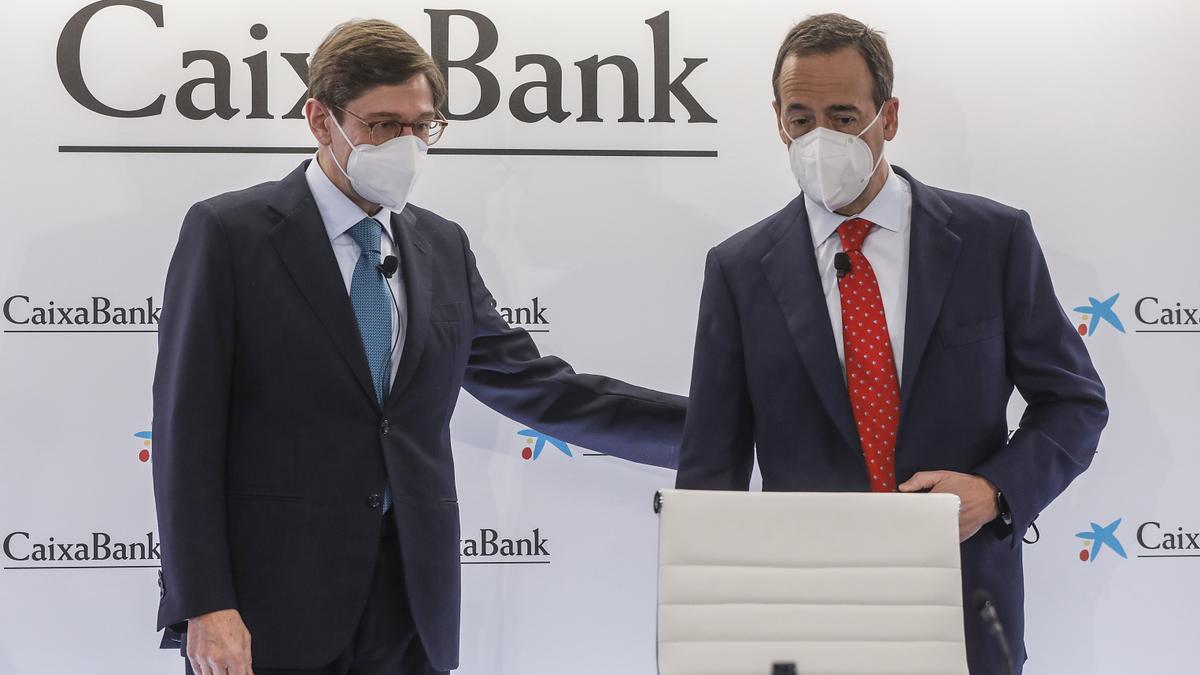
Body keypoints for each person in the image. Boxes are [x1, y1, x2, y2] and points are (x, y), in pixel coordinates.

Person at [152, 18, 685, 675]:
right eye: (382, 126)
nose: (405, 145)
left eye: (421, 126)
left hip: (411, 607)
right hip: (270, 611)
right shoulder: (230, 233)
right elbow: (186, 433)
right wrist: (203, 602)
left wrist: (726, 428)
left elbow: (543, 388)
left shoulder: (442, 245)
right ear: (322, 120)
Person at [675, 13, 1107, 675]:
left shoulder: (993, 241)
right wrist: (709, 642)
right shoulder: (737, 269)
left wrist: (996, 490)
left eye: (844, 117)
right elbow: (712, 466)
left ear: (890, 117)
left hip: (965, 609)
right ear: (777, 119)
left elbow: (1073, 402)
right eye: (800, 118)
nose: (820, 138)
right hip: (803, 619)